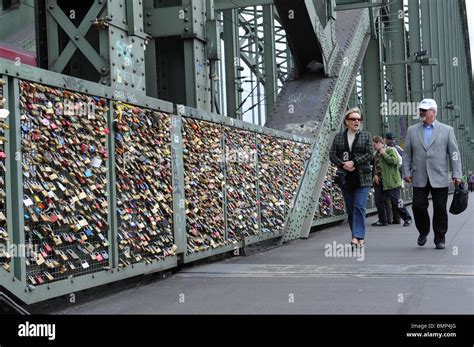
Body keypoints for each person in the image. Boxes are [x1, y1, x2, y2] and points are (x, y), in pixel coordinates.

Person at [403, 98, 462, 249]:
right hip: (419, 175)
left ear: (433, 112)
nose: (421, 112)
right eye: (420, 110)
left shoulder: (447, 130)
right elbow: (407, 154)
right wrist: (406, 171)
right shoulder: (412, 130)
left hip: (440, 175)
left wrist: (457, 174)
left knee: (440, 208)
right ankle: (423, 231)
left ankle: (440, 238)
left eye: (424, 110)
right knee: (418, 206)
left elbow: (454, 153)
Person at [330, 107, 374, 247]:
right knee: (350, 209)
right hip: (346, 178)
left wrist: (354, 162)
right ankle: (357, 237)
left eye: (359, 119)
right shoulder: (338, 137)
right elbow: (332, 155)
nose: (357, 121)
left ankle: (357, 236)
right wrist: (343, 165)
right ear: (346, 122)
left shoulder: (366, 136)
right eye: (353, 119)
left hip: (363, 177)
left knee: (359, 206)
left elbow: (369, 154)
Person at [371, 136, 412, 226]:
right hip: (380, 181)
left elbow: (394, 161)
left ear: (379, 143)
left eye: (375, 145)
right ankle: (382, 220)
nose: (374, 147)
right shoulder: (376, 154)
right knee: (378, 201)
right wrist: (374, 175)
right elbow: (375, 166)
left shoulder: (390, 150)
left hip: (391, 181)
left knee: (396, 201)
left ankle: (407, 218)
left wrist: (384, 154)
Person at [384, 132, 404, 224]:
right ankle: (396, 218)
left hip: (393, 177)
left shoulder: (386, 149)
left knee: (389, 199)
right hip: (397, 177)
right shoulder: (399, 149)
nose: (392, 141)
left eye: (392, 139)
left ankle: (390, 218)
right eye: (391, 139)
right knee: (395, 199)